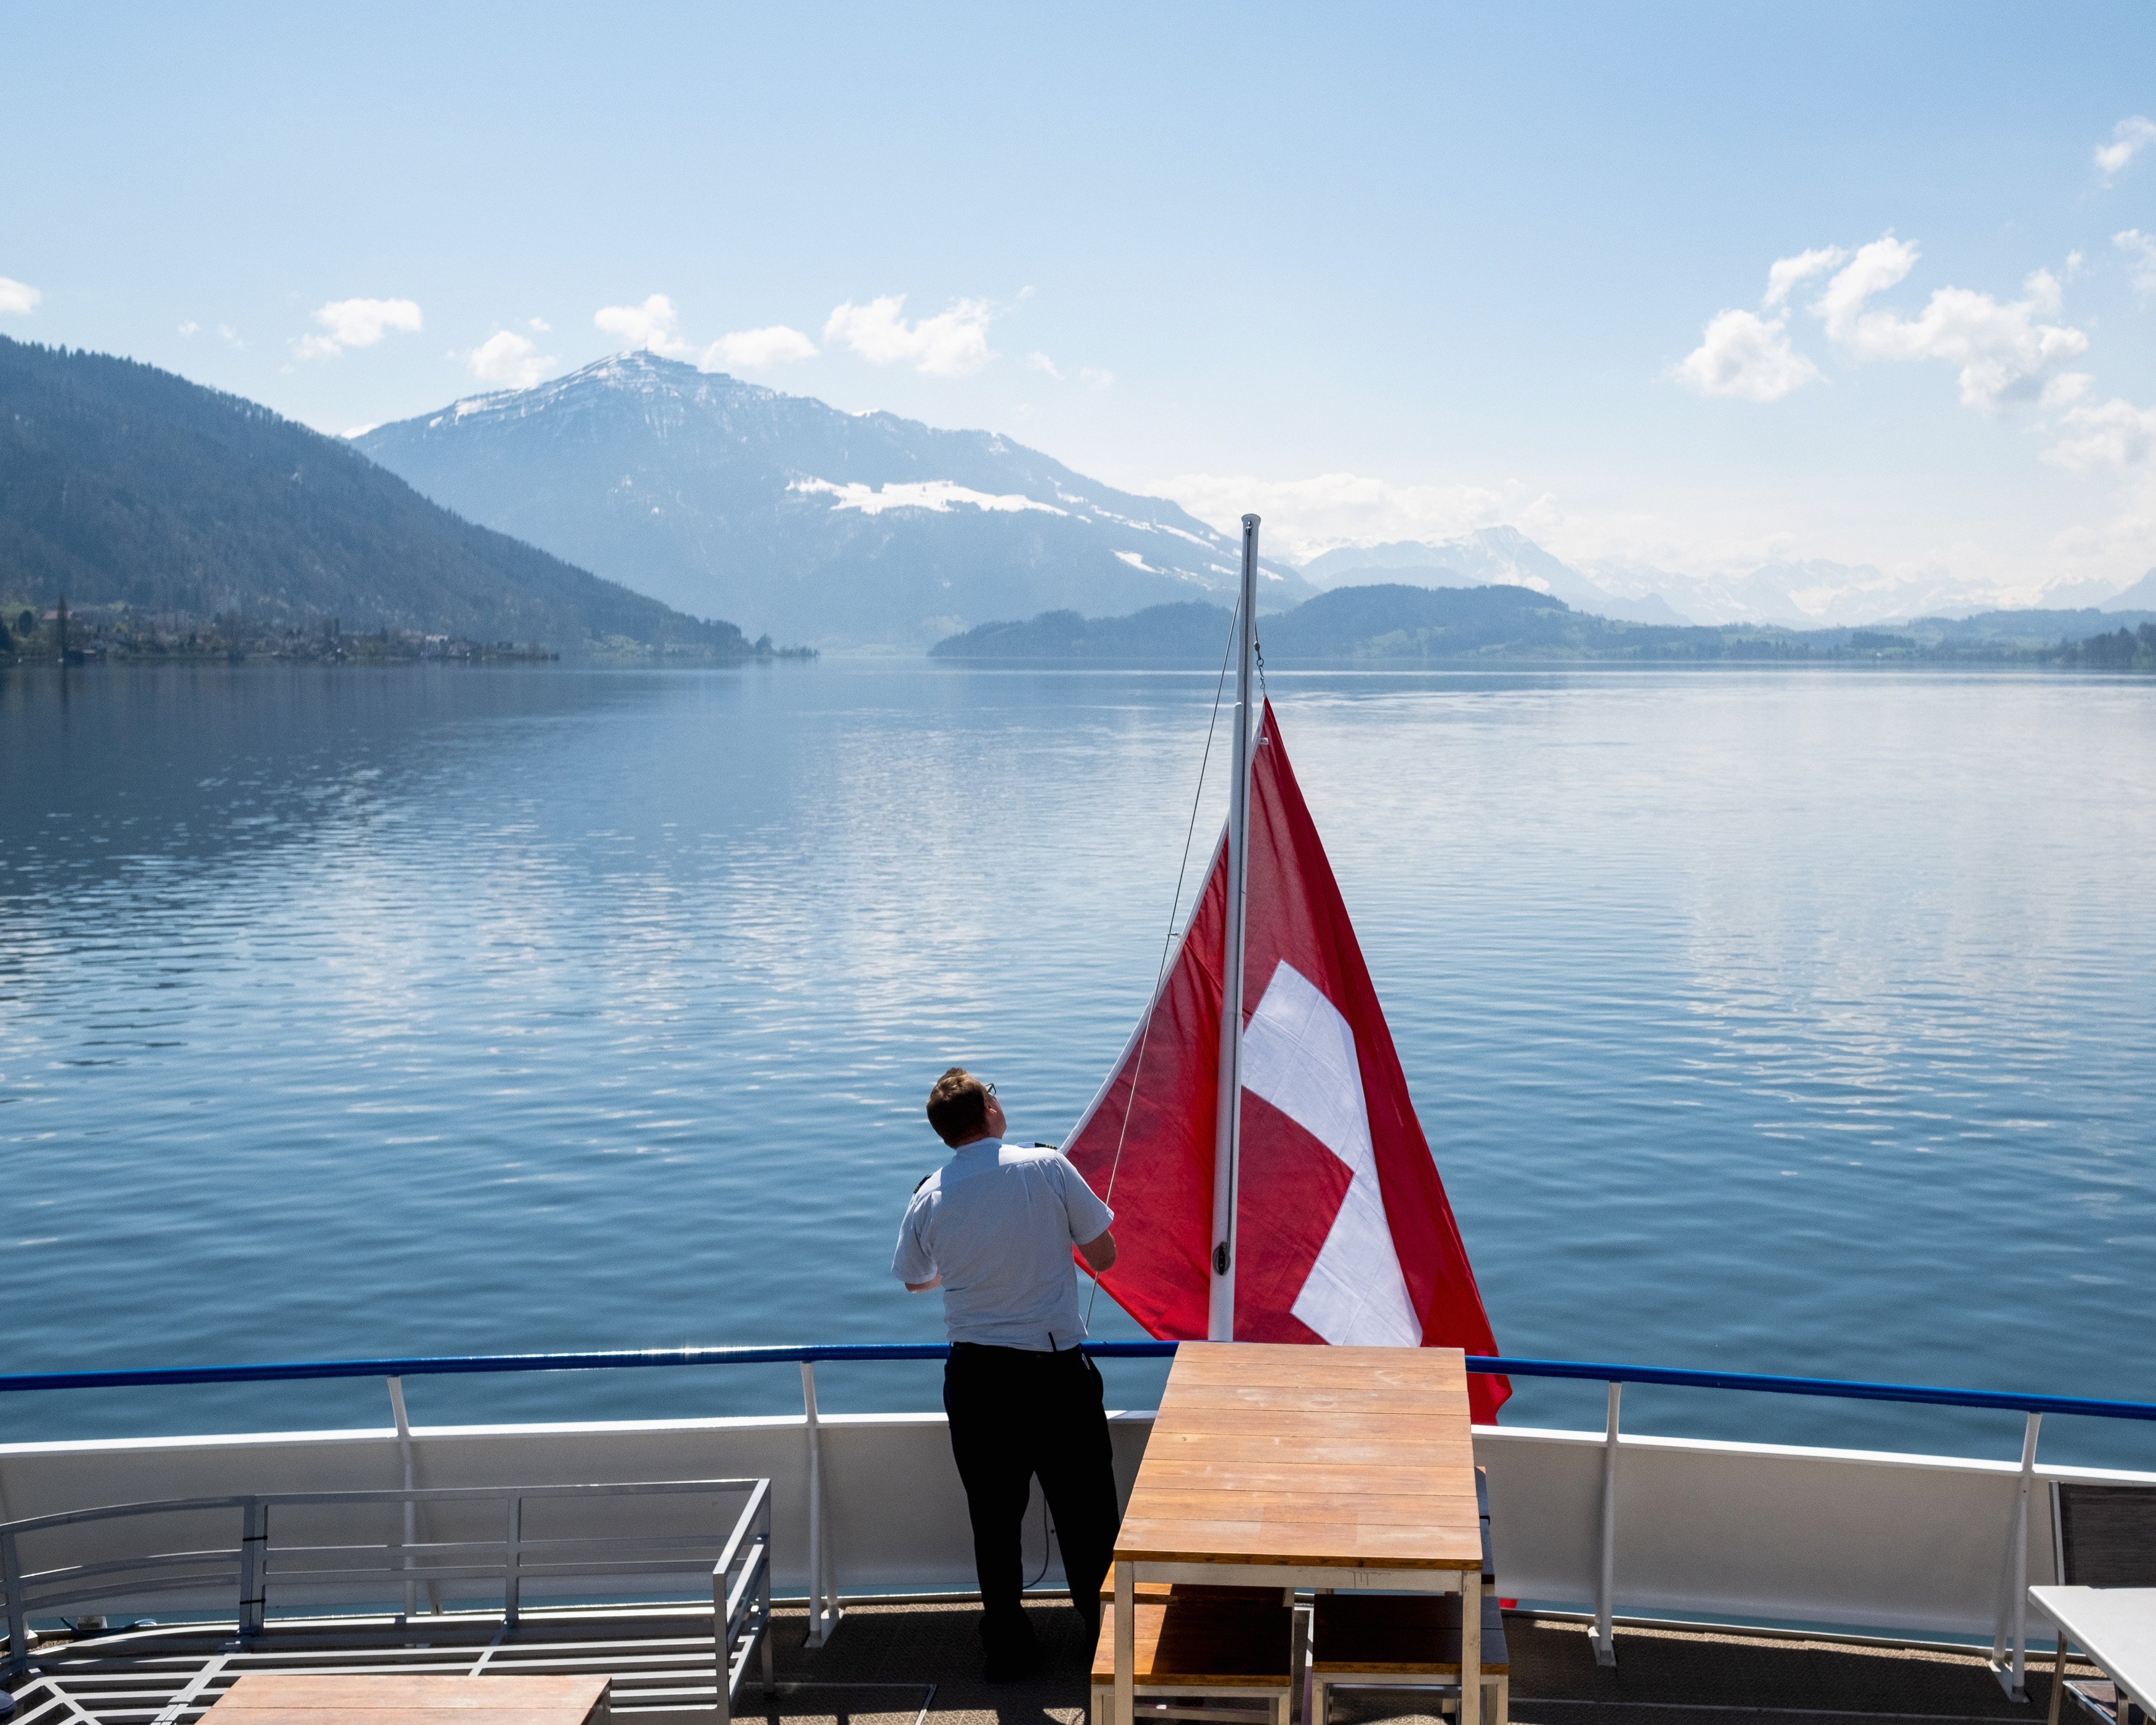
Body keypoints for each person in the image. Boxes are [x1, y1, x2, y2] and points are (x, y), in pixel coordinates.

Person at [891, 1066, 1122, 1680]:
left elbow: (915, 1278)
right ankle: (1100, 1638)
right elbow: (1103, 1253)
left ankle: (1008, 1647)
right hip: (1053, 1376)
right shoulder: (1045, 1167)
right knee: (1086, 1514)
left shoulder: (928, 1194)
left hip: (977, 1381)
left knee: (993, 1517)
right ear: (990, 1110)